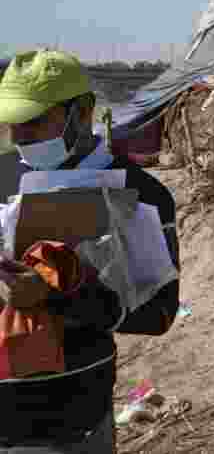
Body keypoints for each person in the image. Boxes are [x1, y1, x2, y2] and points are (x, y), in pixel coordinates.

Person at [0, 50, 180, 453]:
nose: (19, 138)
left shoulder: (140, 195)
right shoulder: (2, 180)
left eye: (33, 122)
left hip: (71, 419)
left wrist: (59, 293)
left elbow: (159, 314)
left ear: (82, 112)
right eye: (12, 125)